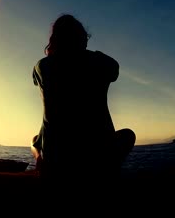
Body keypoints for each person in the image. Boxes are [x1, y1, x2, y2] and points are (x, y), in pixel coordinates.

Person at [31, 14, 136, 200]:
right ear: (82, 38)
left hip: (56, 161)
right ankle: (104, 176)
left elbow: (37, 79)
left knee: (35, 140)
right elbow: (114, 70)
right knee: (128, 135)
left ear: (54, 40)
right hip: (98, 157)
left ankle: (40, 159)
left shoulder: (42, 66)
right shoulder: (101, 62)